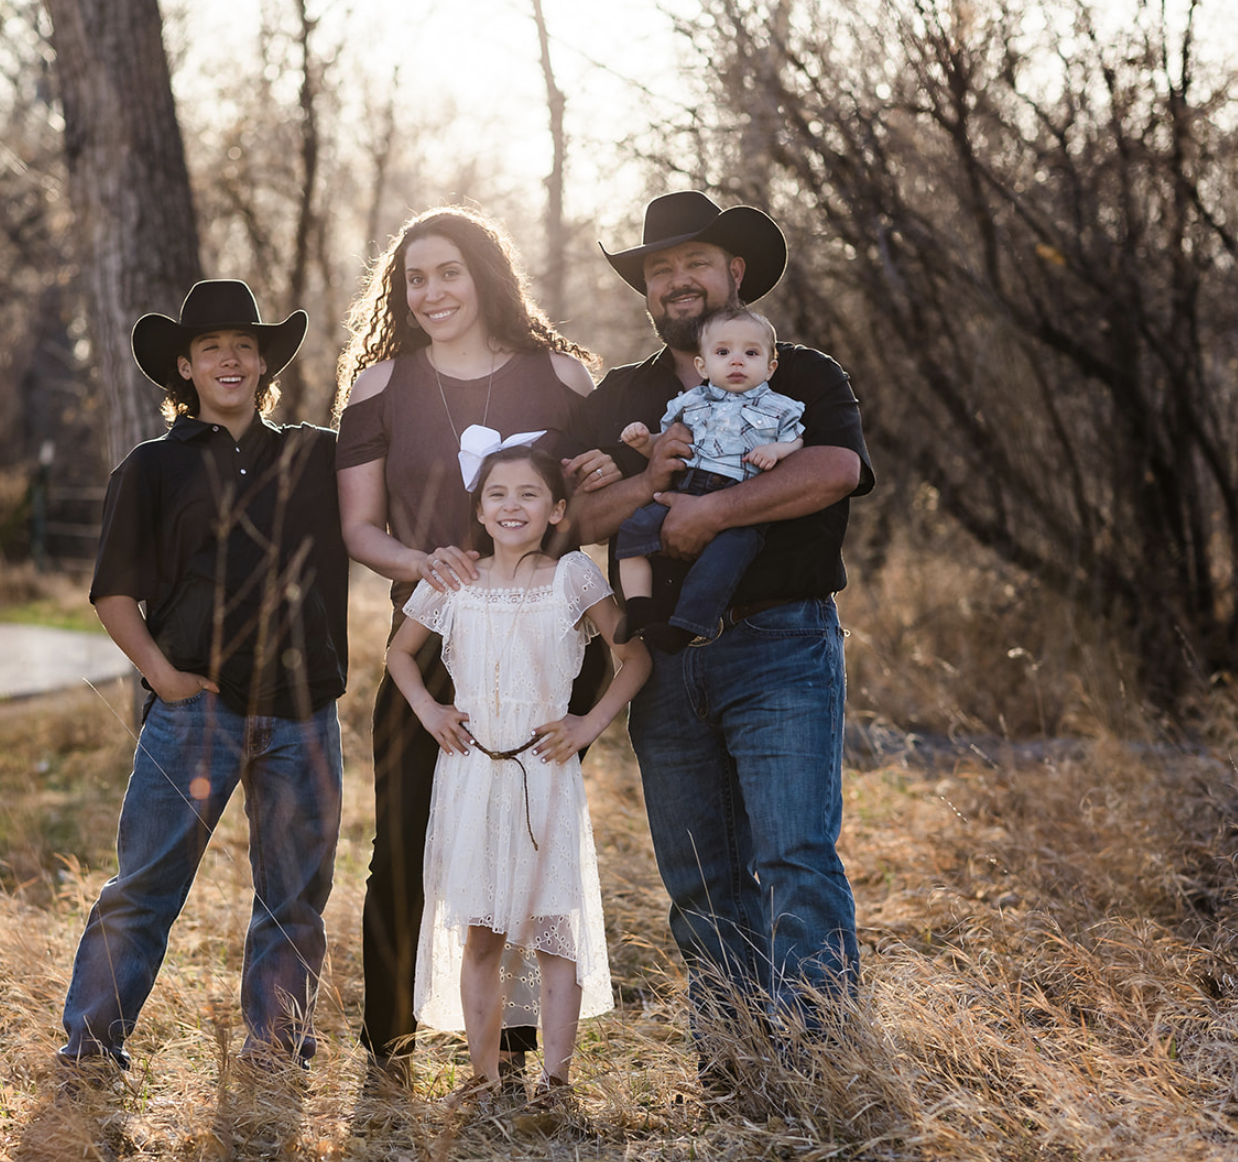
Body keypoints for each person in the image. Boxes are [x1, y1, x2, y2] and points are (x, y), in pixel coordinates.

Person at [569, 192, 875, 1076]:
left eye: (693, 263)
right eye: (659, 270)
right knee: (700, 879)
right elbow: (565, 510)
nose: (676, 281)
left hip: (780, 643)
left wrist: (711, 517)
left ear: (733, 273)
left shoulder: (799, 370)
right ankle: (735, 1061)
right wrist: (645, 483)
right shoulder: (623, 395)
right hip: (659, 659)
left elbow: (834, 469)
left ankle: (823, 1064)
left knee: (792, 859)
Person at [334, 206, 621, 1093]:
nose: (431, 293)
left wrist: (615, 469)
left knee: (531, 846)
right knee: (406, 844)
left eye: (448, 272)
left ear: (486, 275)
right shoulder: (380, 385)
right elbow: (358, 527)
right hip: (436, 637)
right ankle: (391, 1045)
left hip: (547, 639)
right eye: (414, 279)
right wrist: (429, 564)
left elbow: (600, 502)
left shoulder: (564, 376)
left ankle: (522, 1058)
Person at [59, 279, 348, 1076]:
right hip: (194, 715)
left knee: (294, 898)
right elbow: (114, 593)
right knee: (145, 886)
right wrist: (164, 676)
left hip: (304, 711)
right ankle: (89, 1047)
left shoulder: (313, 455)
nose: (230, 358)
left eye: (244, 346)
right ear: (183, 368)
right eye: (212, 347)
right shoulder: (152, 468)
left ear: (263, 364)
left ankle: (275, 1051)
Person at [385, 446, 650, 1109]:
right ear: (479, 509)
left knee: (553, 928)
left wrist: (587, 725)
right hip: (471, 773)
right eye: (497, 494)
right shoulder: (455, 578)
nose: (512, 506)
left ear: (556, 509)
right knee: (481, 930)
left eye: (529, 494)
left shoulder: (572, 577)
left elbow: (635, 658)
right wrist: (430, 709)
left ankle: (556, 1083)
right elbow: (399, 654)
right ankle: (485, 1079)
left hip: (544, 771)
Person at [614, 305, 805, 653]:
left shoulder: (779, 407)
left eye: (750, 353)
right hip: (686, 489)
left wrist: (777, 451)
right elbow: (665, 446)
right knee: (633, 530)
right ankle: (639, 606)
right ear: (702, 365)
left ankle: (686, 627)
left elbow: (797, 440)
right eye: (722, 352)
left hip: (741, 502)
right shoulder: (690, 403)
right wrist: (645, 443)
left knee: (721, 562)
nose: (736, 361)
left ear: (770, 367)